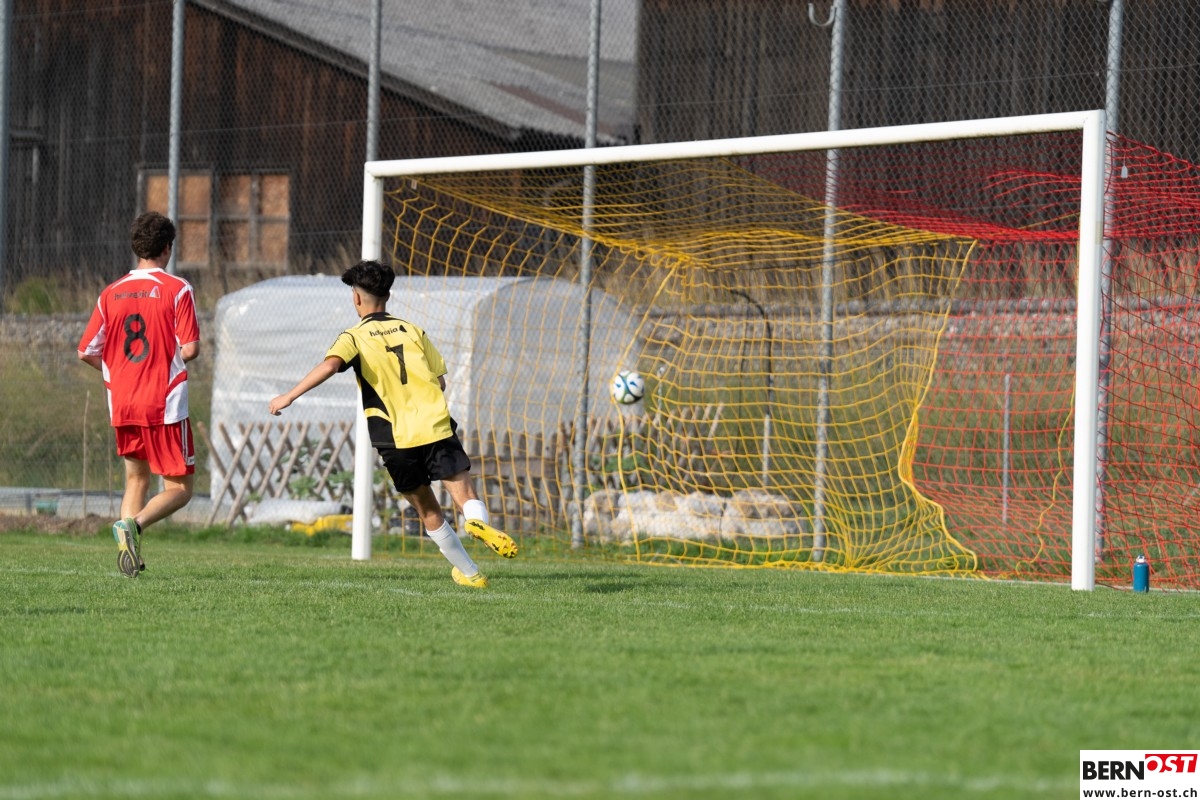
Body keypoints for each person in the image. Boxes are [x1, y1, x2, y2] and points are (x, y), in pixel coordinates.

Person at [268, 260, 517, 587]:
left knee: (427, 509)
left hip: (394, 435)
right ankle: (475, 520)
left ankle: (471, 574)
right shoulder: (413, 330)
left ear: (357, 298)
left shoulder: (354, 336)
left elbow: (330, 366)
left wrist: (288, 396)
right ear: (387, 295)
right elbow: (441, 382)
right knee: (464, 489)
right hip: (434, 423)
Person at [78, 211, 200, 578]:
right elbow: (190, 348)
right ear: (168, 248)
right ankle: (134, 526)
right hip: (163, 402)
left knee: (136, 479)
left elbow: (85, 351)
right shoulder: (178, 289)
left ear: (136, 248)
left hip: (123, 402)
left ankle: (129, 557)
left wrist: (117, 373)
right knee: (180, 488)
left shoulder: (110, 293)